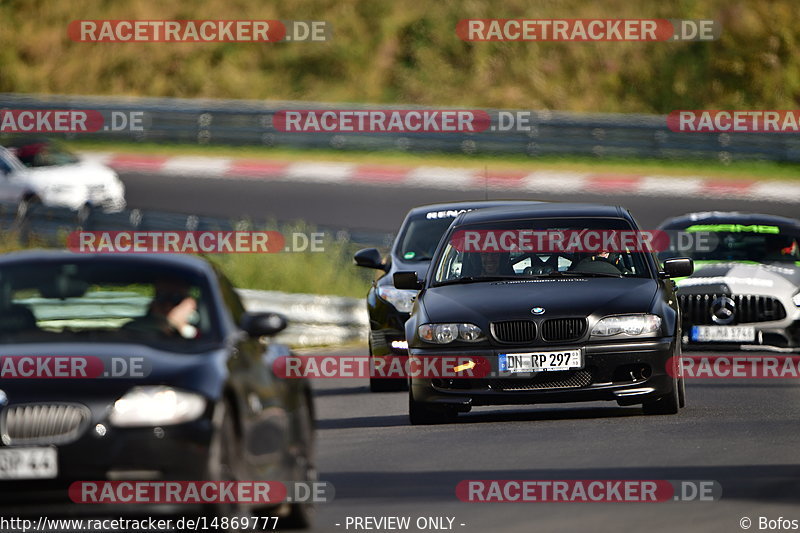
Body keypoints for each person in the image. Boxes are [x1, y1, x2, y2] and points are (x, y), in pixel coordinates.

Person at [124, 279, 199, 339]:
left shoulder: (204, 331)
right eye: (161, 297)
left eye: (176, 299)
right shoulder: (134, 330)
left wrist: (183, 327)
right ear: (153, 303)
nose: (167, 305)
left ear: (190, 303)